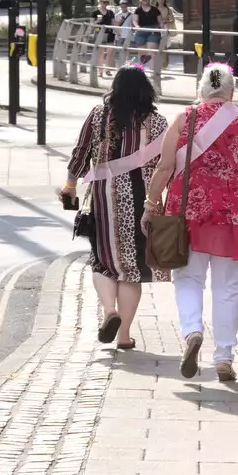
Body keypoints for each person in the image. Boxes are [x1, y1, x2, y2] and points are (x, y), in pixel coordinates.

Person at [143, 64, 238, 382]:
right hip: (234, 218)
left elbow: (164, 167)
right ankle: (224, 357)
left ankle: (192, 331)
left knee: (188, 279)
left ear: (201, 90)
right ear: (232, 91)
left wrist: (149, 204)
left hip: (190, 215)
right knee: (228, 289)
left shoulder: (185, 118)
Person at [60, 65, 169, 351]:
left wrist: (69, 186)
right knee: (131, 270)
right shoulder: (157, 122)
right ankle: (124, 336)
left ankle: (110, 310)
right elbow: (169, 163)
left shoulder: (98, 115)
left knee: (103, 261)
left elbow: (80, 154)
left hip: (104, 197)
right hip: (143, 199)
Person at [133, 0, 164, 72]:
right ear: (141, 0)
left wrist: (161, 26)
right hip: (142, 30)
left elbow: (160, 21)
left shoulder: (155, 9)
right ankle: (140, 72)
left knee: (152, 52)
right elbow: (135, 20)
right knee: (142, 53)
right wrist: (137, 26)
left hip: (153, 31)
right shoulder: (138, 10)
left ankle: (152, 71)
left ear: (150, 0)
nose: (145, 0)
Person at [93, 0, 117, 72]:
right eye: (104, 2)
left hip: (109, 33)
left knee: (110, 52)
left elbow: (113, 23)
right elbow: (91, 24)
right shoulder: (95, 12)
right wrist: (97, 21)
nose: (106, 3)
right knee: (101, 53)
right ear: (100, 2)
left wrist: (118, 32)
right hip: (100, 33)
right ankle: (100, 70)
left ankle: (107, 69)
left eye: (107, 2)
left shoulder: (110, 12)